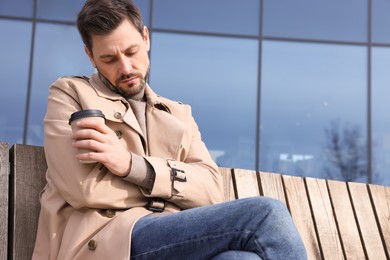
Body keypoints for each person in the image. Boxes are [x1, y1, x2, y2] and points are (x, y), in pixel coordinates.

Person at [32, 0, 307, 259]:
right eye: (109, 59)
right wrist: (175, 188)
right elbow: (84, 190)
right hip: (110, 242)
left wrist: (132, 166)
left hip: (173, 238)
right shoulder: (70, 93)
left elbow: (211, 191)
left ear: (146, 38)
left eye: (131, 52)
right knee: (265, 214)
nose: (126, 67)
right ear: (90, 56)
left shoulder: (178, 114)